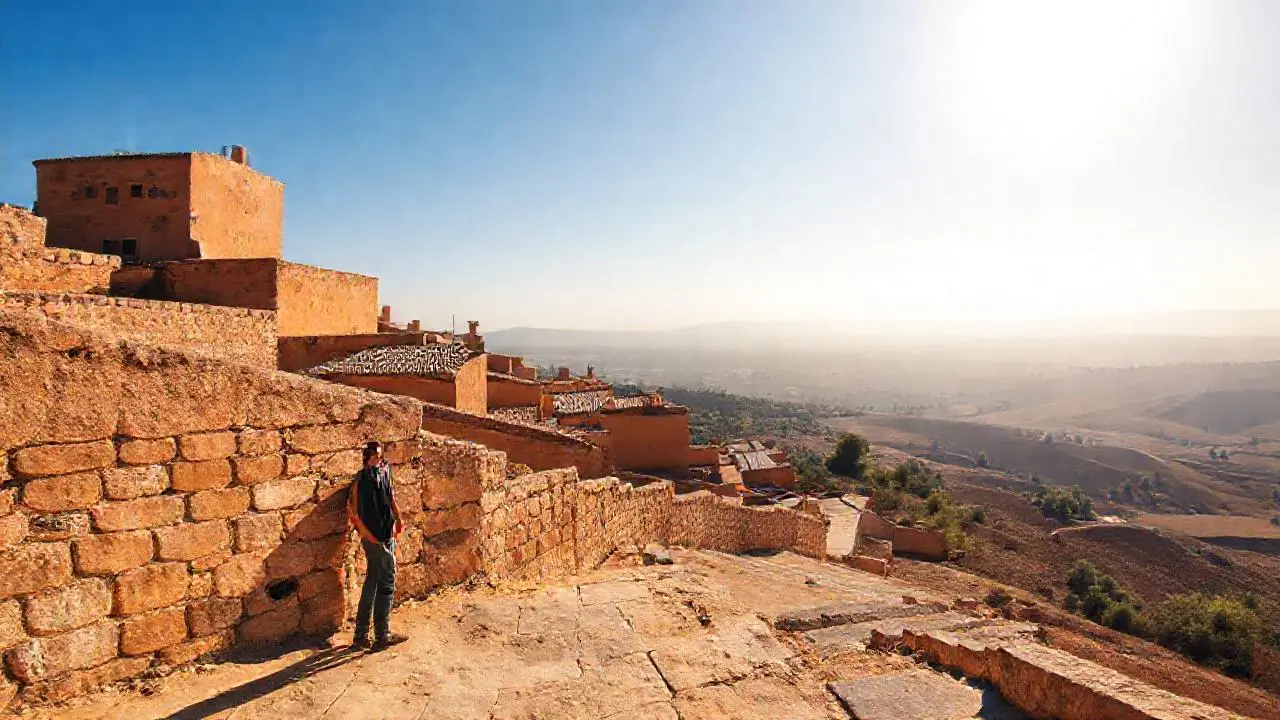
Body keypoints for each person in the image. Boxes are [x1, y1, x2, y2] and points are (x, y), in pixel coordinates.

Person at [347, 441, 408, 649]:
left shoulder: (384, 471)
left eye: (379, 457)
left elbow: (390, 496)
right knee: (387, 581)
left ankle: (360, 635)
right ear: (365, 459)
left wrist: (398, 519)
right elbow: (354, 513)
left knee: (373, 580)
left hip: (386, 533)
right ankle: (382, 635)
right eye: (373, 457)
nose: (378, 460)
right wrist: (369, 537)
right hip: (373, 538)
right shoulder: (361, 482)